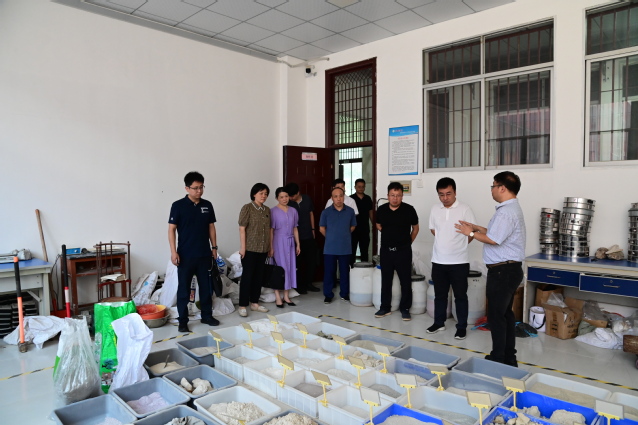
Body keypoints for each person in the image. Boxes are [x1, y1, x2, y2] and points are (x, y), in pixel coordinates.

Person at [455, 171, 526, 367]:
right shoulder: (510, 209)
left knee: (496, 316)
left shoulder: (506, 212)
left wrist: (469, 233)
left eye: (493, 186)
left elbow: (494, 239)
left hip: (503, 272)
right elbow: (497, 234)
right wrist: (477, 228)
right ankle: (508, 357)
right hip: (508, 270)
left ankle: (498, 358)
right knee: (505, 314)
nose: (492, 190)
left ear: (502, 188)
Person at [168, 171, 220, 333]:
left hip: (204, 254)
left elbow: (211, 227)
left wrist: (214, 247)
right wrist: (173, 252)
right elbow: (171, 230)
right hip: (185, 255)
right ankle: (183, 321)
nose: (199, 191)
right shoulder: (178, 206)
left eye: (201, 187)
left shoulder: (207, 205)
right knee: (184, 290)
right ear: (187, 188)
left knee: (206, 287)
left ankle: (207, 316)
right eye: (196, 188)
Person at [427, 177, 476, 340]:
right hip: (438, 261)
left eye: (448, 194)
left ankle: (461, 327)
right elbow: (433, 230)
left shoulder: (465, 209)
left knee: (460, 296)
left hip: (459, 262)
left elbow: (472, 233)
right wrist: (444, 241)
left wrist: (458, 246)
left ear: (455, 192)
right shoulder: (435, 209)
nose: (445, 198)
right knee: (440, 295)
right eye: (441, 194)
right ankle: (438, 323)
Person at [375, 182, 419, 321]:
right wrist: (389, 233)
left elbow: (415, 228)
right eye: (392, 195)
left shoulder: (409, 210)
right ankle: (385, 307)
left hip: (403, 252)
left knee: (405, 281)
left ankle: (405, 308)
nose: (395, 198)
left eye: (398, 195)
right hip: (386, 251)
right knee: (386, 280)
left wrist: (408, 242)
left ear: (402, 196)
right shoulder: (381, 209)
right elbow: (378, 224)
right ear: (388, 196)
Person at [237, 183, 272, 317]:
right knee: (247, 277)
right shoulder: (247, 208)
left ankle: (255, 303)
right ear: (254, 194)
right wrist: (243, 248)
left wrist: (270, 247)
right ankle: (242, 305)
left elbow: (269, 230)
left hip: (263, 248)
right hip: (250, 249)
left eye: (266, 194)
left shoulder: (267, 210)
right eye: (261, 193)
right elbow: (242, 228)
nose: (264, 196)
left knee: (259, 277)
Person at [320, 187, 356, 304]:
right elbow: (322, 228)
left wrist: (344, 235)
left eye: (340, 196)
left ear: (343, 196)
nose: (338, 198)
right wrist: (331, 237)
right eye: (335, 196)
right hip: (330, 248)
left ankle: (344, 294)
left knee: (345, 272)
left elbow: (353, 226)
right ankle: (328, 295)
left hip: (345, 247)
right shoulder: (326, 212)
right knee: (329, 272)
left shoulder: (350, 211)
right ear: (332, 198)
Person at [285, 183, 320, 293]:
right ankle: (299, 286)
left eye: (292, 196)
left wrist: (313, 229)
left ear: (298, 193)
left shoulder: (307, 199)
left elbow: (311, 214)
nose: (290, 198)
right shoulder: (289, 203)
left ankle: (309, 283)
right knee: (298, 263)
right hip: (295, 238)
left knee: (311, 261)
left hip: (308, 235)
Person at [270, 187, 301, 307]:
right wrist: (270, 247)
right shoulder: (273, 211)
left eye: (286, 196)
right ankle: (278, 296)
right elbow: (271, 231)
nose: (284, 199)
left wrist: (298, 244)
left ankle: (286, 296)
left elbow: (295, 228)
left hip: (290, 242)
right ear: (277, 198)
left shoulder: (293, 211)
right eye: (281, 197)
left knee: (289, 267)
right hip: (278, 242)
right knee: (279, 269)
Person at [350, 178, 374, 266]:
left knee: (364, 251)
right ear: (355, 187)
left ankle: (365, 269)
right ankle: (351, 269)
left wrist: (374, 224)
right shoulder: (351, 199)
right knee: (352, 250)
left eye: (362, 187)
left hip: (365, 228)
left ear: (365, 187)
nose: (361, 188)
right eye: (359, 186)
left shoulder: (368, 198)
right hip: (353, 229)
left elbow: (371, 212)